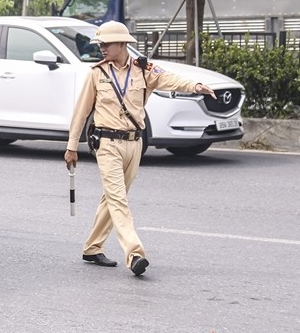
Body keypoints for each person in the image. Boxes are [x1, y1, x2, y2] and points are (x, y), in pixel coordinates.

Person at [64, 21, 217, 276]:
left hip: (135, 144)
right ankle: (134, 254)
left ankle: (92, 247)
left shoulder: (143, 70)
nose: (102, 48)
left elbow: (169, 79)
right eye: (100, 44)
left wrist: (195, 86)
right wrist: (71, 147)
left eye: (106, 43)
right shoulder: (97, 74)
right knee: (118, 198)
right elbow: (81, 114)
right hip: (106, 143)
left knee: (112, 198)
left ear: (122, 44)